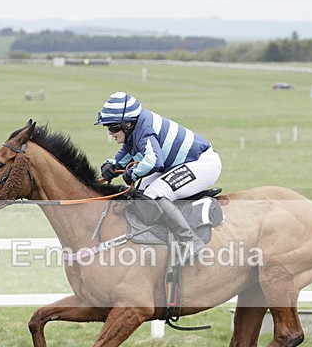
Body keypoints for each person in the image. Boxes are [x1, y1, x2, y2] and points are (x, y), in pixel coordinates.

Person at [95, 91, 222, 263]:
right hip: (179, 164)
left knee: (154, 193)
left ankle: (191, 241)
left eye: (113, 128)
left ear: (128, 124)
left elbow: (154, 161)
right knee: (140, 193)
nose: (111, 133)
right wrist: (111, 165)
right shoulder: (136, 128)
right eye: (108, 128)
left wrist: (132, 173)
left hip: (202, 164)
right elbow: (126, 152)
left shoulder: (145, 130)